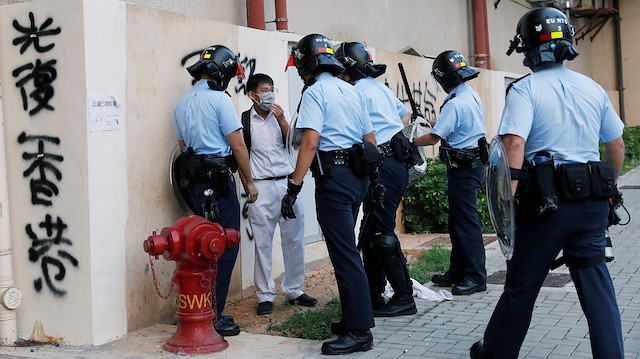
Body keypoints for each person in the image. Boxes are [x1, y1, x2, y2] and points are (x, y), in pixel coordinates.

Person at [470, 7, 625, 359]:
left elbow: (513, 145)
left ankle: (496, 353)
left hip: (545, 207)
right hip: (591, 207)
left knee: (522, 286)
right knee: (597, 287)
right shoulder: (593, 88)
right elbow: (615, 146)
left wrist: (505, 207)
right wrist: (610, 193)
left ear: (525, 47)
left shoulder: (524, 90)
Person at [281, 34, 378, 355]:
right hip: (357, 177)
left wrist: (293, 188)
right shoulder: (350, 90)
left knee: (343, 253)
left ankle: (360, 330)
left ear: (306, 62)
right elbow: (370, 138)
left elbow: (309, 141)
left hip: (334, 180)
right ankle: (353, 317)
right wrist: (374, 179)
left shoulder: (315, 92)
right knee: (346, 248)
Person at [173, 45, 259, 337]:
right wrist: (249, 182)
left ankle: (197, 308)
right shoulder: (220, 101)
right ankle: (213, 314)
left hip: (194, 183)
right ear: (222, 75)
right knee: (223, 245)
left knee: (200, 246)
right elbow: (237, 145)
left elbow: (183, 147)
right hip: (219, 181)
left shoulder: (181, 103)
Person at [334, 41, 418, 317]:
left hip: (383, 164)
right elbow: (403, 116)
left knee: (380, 232)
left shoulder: (355, 91)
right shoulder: (378, 87)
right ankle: (374, 295)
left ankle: (404, 297)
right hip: (394, 160)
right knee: (371, 231)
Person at [413, 50, 488, 296]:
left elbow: (434, 139)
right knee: (458, 222)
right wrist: (430, 121)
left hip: (464, 168)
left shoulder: (456, 102)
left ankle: (476, 277)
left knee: (466, 223)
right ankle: (457, 271)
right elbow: (449, 126)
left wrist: (409, 142)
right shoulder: (468, 95)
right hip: (469, 165)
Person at [240, 73, 317, 315]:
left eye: (272, 89)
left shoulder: (280, 117)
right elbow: (239, 156)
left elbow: (295, 143)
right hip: (261, 187)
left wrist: (283, 119)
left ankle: (294, 289)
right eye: (264, 90)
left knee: (294, 238)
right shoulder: (244, 121)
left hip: (286, 184)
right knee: (262, 242)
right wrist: (248, 184)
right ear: (253, 95)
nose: (269, 94)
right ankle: (265, 295)